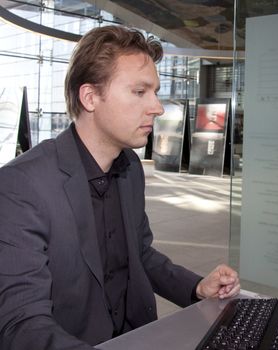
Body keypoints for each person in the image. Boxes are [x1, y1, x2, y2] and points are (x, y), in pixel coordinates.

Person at [0, 25, 240, 349]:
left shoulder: (130, 169)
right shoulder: (22, 186)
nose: (157, 107)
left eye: (155, 92)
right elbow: (22, 325)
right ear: (90, 97)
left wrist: (197, 288)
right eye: (140, 92)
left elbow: (139, 254)